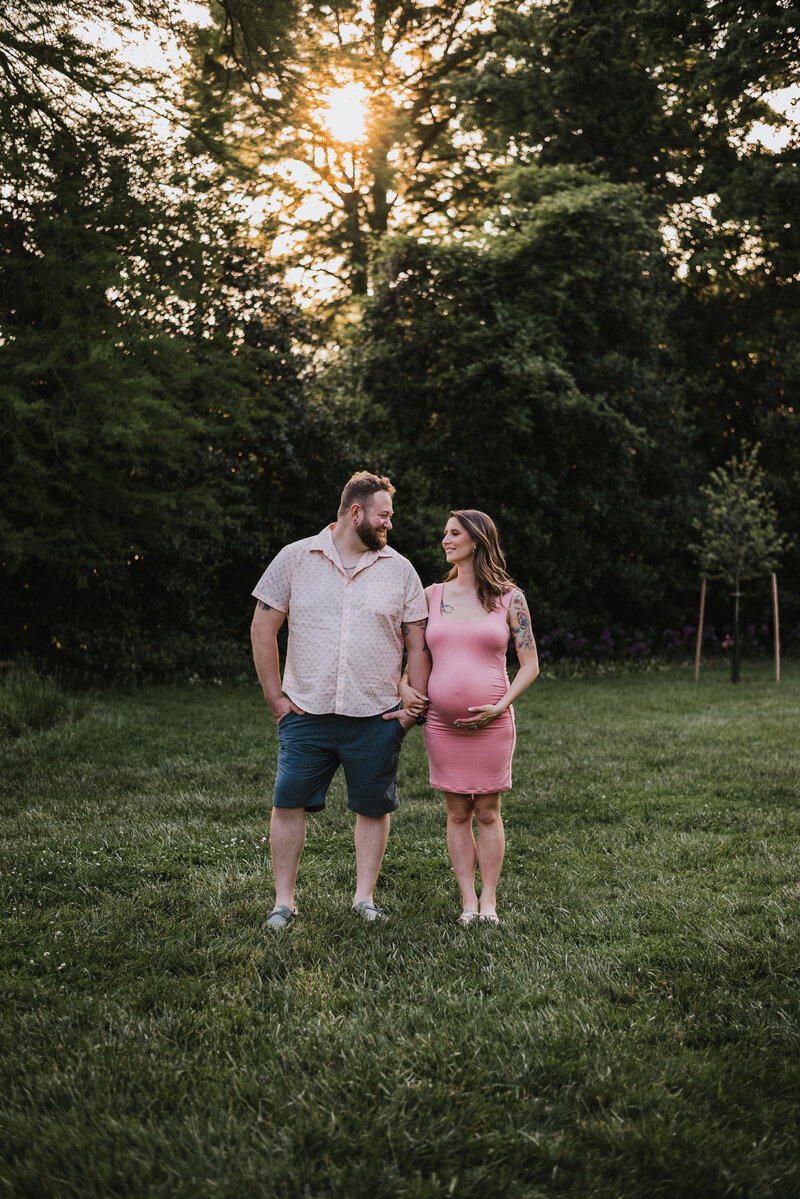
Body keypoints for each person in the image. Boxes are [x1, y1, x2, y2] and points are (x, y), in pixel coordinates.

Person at [251, 471, 431, 928]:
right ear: (357, 513)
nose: (390, 524)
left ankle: (364, 898)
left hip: (376, 716)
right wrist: (276, 700)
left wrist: (409, 713)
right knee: (288, 803)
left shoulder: (401, 569)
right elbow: (262, 627)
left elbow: (418, 644)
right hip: (306, 712)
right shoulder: (295, 558)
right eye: (384, 515)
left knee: (373, 807)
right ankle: (283, 902)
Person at [401, 510, 539, 925]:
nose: (445, 539)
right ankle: (467, 902)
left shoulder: (509, 598)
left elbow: (530, 664)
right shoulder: (430, 595)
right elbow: (406, 652)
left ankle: (489, 903)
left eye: (454, 533)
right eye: (445, 533)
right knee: (457, 812)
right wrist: (402, 685)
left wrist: (501, 705)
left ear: (476, 540)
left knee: (488, 812)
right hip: (443, 727)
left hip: (494, 723)